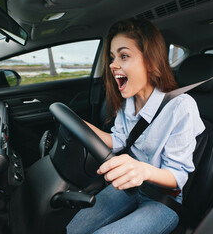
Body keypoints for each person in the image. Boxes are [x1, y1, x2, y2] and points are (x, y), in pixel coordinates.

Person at [67, 18, 205, 234]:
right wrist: (78, 125)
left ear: (150, 62)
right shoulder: (127, 101)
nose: (112, 65)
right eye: (112, 57)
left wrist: (142, 170)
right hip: (130, 187)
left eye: (124, 56)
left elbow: (177, 178)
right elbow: (118, 140)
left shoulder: (181, 107)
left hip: (162, 200)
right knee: (74, 229)